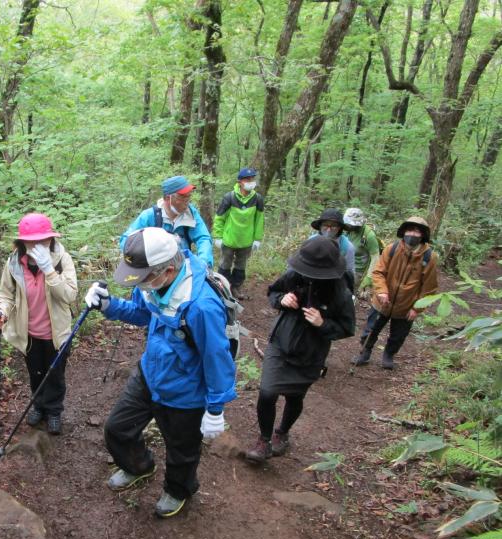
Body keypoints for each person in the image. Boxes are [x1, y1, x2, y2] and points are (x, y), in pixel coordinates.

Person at [85, 227, 237, 518]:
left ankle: (178, 489)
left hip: (186, 392)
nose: (140, 285)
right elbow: (143, 312)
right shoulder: (154, 282)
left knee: (182, 450)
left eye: (143, 279)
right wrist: (109, 305)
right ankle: (137, 466)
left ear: (168, 270)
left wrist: (215, 408)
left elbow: (217, 357)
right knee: (117, 428)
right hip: (150, 373)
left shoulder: (201, 306)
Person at [245, 236, 356, 464]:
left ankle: (282, 433)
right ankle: (264, 441)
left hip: (311, 352)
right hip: (280, 343)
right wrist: (282, 299)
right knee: (267, 392)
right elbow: (272, 292)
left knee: (295, 396)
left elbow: (347, 327)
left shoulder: (340, 292)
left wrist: (322, 323)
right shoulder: (295, 276)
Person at [0, 213, 78, 434]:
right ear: (23, 241)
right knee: (35, 371)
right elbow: (6, 295)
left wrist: (49, 270)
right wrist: (1, 310)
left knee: (55, 373)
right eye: (33, 240)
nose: (39, 244)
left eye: (44, 239)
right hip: (28, 332)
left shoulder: (62, 259)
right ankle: (39, 405)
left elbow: (69, 296)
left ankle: (54, 411)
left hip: (56, 332)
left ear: (51, 239)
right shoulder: (14, 263)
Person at [352, 216, 439, 370]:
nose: (412, 234)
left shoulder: (429, 257)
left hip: (407, 305)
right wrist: (382, 291)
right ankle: (364, 352)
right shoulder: (391, 249)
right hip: (382, 300)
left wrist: (417, 308)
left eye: (417, 232)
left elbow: (429, 287)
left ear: (423, 235)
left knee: (398, 335)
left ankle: (389, 355)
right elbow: (378, 273)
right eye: (410, 230)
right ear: (404, 231)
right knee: (371, 328)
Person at [119, 175, 214, 268]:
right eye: (183, 197)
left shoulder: (190, 213)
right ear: (168, 198)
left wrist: (203, 262)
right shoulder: (150, 216)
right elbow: (126, 241)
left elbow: (203, 237)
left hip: (183, 267)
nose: (187, 200)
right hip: (156, 268)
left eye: (189, 196)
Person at [212, 167, 265, 299]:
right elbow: (219, 217)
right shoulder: (229, 197)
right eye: (247, 179)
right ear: (240, 181)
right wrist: (217, 236)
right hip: (229, 240)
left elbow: (259, 220)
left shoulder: (258, 199)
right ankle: (223, 289)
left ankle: (236, 289)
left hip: (246, 241)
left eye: (252, 179)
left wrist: (257, 239)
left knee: (241, 267)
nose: (251, 182)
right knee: (225, 265)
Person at [309, 207, 356, 291]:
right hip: (312, 281)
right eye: (325, 225)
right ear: (320, 226)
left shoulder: (347, 246)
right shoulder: (311, 242)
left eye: (333, 226)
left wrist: (348, 292)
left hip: (336, 284)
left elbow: (349, 271)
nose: (329, 229)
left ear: (339, 228)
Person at [343, 207, 381, 293]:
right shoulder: (347, 231)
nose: (348, 226)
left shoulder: (369, 235)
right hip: (345, 265)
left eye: (351, 225)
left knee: (350, 291)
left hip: (359, 271)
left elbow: (375, 257)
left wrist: (369, 277)